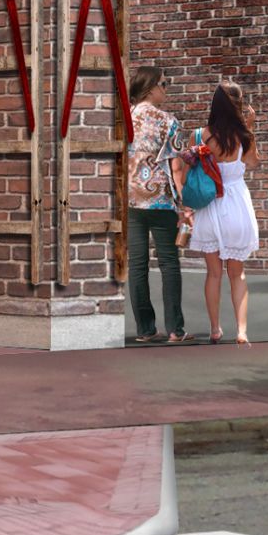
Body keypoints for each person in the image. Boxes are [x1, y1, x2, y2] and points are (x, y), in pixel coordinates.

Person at [185, 84, 259, 344]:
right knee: (237, 274)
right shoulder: (244, 136)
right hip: (237, 206)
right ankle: (242, 331)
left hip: (209, 205)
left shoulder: (200, 135)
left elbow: (187, 173)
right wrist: (250, 127)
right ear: (238, 105)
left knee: (213, 274)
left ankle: (215, 329)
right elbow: (253, 162)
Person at [121, 65, 189, 347]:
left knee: (137, 265)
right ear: (150, 88)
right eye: (164, 83)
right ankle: (175, 329)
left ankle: (146, 329)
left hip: (130, 200)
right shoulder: (168, 121)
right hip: (161, 200)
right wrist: (185, 205)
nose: (166, 88)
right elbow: (177, 168)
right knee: (169, 263)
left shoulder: (124, 118)